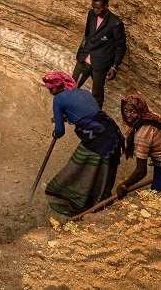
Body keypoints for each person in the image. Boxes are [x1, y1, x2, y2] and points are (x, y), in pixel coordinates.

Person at [42, 71, 123, 217]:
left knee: (82, 165)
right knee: (101, 168)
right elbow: (88, 112)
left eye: (51, 88)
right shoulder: (83, 92)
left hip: (97, 138)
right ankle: (98, 199)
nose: (49, 91)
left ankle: (80, 203)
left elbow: (60, 131)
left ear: (58, 86)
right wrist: (68, 116)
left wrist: (56, 132)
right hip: (111, 130)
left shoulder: (58, 99)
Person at [72, 0, 126, 108]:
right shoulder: (91, 14)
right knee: (71, 86)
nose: (95, 10)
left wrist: (114, 66)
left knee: (97, 95)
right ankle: (66, 112)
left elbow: (120, 46)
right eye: (93, 7)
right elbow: (87, 34)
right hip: (84, 58)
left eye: (98, 8)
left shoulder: (115, 23)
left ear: (106, 6)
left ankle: (96, 117)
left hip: (100, 64)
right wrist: (81, 52)